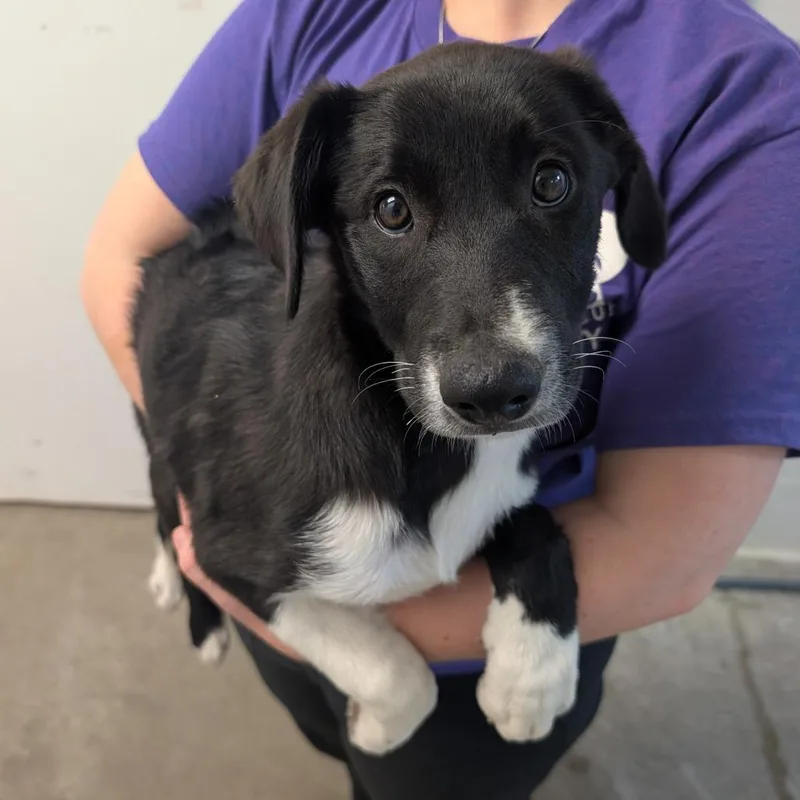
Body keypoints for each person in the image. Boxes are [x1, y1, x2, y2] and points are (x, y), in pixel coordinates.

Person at [81, 0, 800, 797]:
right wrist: (187, 513)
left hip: (509, 646)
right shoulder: (306, 14)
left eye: (550, 183)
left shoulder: (743, 90)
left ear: (616, 177)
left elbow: (664, 554)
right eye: (393, 209)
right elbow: (124, 264)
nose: (493, 360)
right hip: (308, 592)